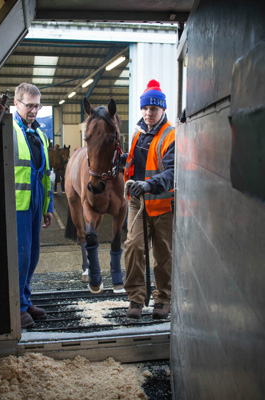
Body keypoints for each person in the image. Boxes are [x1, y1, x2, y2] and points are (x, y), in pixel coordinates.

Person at [0, 82, 53, 329]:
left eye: (37, 106)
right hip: (18, 204)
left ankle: (25, 300)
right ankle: (17, 306)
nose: (34, 110)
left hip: (36, 202)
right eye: (29, 105)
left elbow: (46, 174)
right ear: (16, 104)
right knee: (21, 255)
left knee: (33, 255)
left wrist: (49, 207)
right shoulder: (9, 128)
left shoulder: (40, 135)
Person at [123, 79, 175, 320]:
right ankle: (136, 298)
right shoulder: (138, 133)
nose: (148, 113)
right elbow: (135, 161)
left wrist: (149, 184)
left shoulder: (171, 135)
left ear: (163, 109)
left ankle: (163, 299)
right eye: (145, 109)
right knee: (134, 246)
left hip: (163, 204)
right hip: (139, 202)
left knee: (163, 255)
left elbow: (172, 172)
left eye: (153, 109)